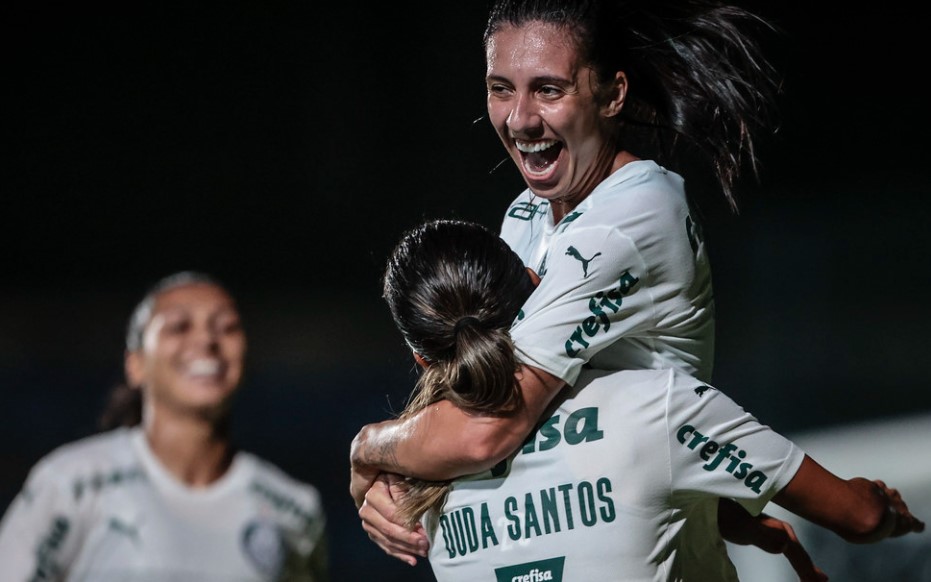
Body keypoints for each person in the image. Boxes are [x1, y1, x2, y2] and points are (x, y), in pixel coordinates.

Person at [350, 0, 789, 564]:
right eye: (501, 88)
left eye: (549, 90)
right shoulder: (526, 216)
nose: (520, 118)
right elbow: (499, 392)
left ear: (612, 95)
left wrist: (370, 451)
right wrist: (394, 476)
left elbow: (489, 428)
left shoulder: (630, 218)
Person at [378, 219, 924, 580]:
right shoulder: (656, 407)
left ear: (421, 357)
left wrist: (710, 514)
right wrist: (886, 511)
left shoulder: (414, 489)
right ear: (536, 283)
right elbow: (857, 517)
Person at [0, 271, 330, 582]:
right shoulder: (73, 484)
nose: (206, 340)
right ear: (136, 364)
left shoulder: (294, 510)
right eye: (178, 327)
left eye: (227, 326)